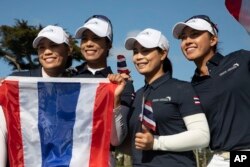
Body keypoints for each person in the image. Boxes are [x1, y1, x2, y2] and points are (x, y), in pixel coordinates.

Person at [124, 28, 210, 167]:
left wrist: (156, 143)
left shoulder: (182, 89)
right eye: (135, 52)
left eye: (145, 50)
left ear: (163, 53)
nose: (138, 56)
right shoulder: (137, 95)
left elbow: (202, 136)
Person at [172, 14, 250, 167]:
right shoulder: (190, 89)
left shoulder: (241, 60)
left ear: (213, 40)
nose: (187, 41)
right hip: (218, 158)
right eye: (183, 37)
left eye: (194, 34)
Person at [73, 15, 135, 167]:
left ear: (109, 44)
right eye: (85, 39)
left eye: (96, 38)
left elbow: (117, 139)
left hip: (102, 161)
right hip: (65, 159)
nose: (88, 44)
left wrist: (115, 98)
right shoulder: (67, 79)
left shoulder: (122, 83)